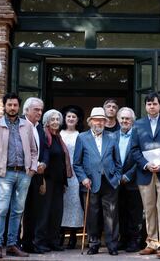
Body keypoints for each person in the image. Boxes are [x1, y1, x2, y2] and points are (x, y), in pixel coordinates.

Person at [0, 93, 38, 259]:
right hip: (4, 173)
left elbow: (34, 151)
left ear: (18, 107)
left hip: (24, 173)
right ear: (4, 106)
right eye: (9, 105)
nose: (12, 108)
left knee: (17, 210)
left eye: (15, 105)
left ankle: (12, 245)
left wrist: (32, 168)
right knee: (2, 209)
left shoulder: (27, 126)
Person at [73, 107, 122, 256]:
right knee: (92, 215)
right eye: (96, 120)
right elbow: (77, 163)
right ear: (90, 122)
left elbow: (118, 162)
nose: (99, 122)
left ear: (105, 122)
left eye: (102, 120)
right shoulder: (82, 137)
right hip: (90, 183)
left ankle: (112, 245)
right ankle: (93, 244)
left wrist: (117, 178)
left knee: (111, 215)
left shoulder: (112, 137)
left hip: (109, 181)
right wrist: (83, 179)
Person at [130, 92, 160, 255]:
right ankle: (152, 242)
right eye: (149, 104)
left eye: (154, 103)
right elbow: (134, 150)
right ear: (146, 106)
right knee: (149, 209)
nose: (151, 106)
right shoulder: (138, 125)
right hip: (146, 172)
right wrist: (146, 164)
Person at [33, 109, 72, 251]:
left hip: (58, 182)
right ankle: (39, 243)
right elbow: (41, 158)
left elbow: (61, 161)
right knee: (44, 213)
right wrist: (41, 179)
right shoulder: (44, 135)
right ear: (47, 122)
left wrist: (64, 182)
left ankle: (53, 242)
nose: (55, 122)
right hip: (46, 180)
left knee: (56, 213)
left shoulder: (58, 137)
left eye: (57, 119)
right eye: (52, 119)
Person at [21, 97, 50, 254]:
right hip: (21, 174)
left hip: (37, 175)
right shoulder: (18, 124)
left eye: (41, 109)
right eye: (36, 110)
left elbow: (45, 149)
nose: (40, 112)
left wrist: (44, 163)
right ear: (27, 110)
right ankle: (13, 243)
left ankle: (29, 243)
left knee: (34, 210)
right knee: (19, 209)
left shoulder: (40, 128)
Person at [115, 107, 143, 253]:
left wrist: (128, 176)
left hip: (133, 182)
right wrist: (116, 176)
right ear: (118, 120)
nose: (125, 121)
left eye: (128, 119)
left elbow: (140, 159)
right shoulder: (113, 136)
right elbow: (110, 158)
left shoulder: (138, 135)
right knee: (120, 212)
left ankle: (135, 241)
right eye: (123, 118)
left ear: (133, 121)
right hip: (117, 182)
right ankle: (123, 239)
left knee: (134, 213)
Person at [60, 106, 84, 249]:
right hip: (62, 174)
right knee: (61, 205)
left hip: (76, 175)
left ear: (77, 120)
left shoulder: (80, 135)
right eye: (68, 116)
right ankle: (61, 235)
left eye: (73, 117)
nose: (70, 119)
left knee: (75, 205)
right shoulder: (59, 134)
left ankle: (74, 237)